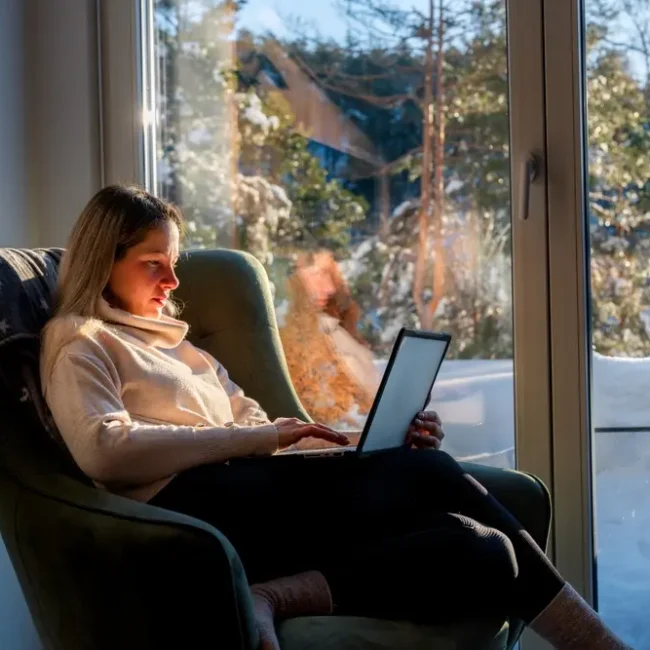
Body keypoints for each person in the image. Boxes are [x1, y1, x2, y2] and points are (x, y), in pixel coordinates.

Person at [41, 185, 631, 650]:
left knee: (485, 551)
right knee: (428, 476)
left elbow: (260, 434)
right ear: (103, 262)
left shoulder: (183, 347)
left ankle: (270, 596)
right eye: (153, 264)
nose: (172, 283)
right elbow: (104, 450)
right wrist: (254, 438)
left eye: (172, 263)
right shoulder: (81, 340)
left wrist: (354, 447)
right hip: (187, 516)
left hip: (246, 498)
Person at [280, 250, 380, 427]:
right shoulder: (281, 338)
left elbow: (371, 397)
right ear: (294, 279)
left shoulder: (333, 329)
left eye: (330, 276)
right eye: (317, 274)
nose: (329, 288)